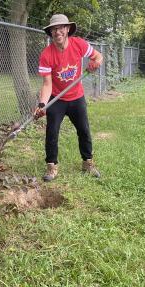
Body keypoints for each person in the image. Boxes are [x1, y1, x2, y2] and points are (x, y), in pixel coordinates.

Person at [35, 14, 103, 182]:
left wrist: (95, 63)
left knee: (84, 130)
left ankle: (88, 163)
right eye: (53, 29)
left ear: (67, 29)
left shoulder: (79, 44)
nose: (57, 32)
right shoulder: (46, 54)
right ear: (50, 32)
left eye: (60, 28)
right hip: (56, 98)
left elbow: (98, 56)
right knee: (52, 132)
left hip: (76, 97)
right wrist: (42, 104)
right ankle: (52, 166)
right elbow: (46, 84)